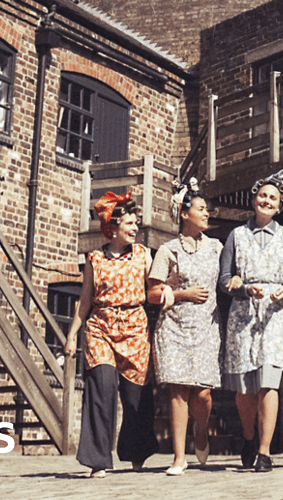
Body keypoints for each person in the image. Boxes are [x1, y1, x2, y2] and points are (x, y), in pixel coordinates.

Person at [64, 191, 159, 478]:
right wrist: (72, 335)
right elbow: (84, 301)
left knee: (134, 396)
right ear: (113, 226)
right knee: (101, 389)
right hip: (100, 328)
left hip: (134, 329)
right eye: (129, 223)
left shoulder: (143, 254)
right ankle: (98, 460)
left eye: (136, 223)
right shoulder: (94, 259)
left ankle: (136, 452)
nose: (135, 228)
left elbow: (155, 289)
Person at [218, 169, 283, 473]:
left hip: (277, 314)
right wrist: (240, 288)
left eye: (273, 198)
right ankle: (249, 436)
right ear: (254, 200)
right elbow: (224, 279)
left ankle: (265, 451)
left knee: (269, 381)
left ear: (279, 205)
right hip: (244, 312)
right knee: (244, 388)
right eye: (263, 195)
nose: (267, 201)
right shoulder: (236, 235)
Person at [146, 178, 222, 476]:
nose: (206, 213)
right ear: (184, 213)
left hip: (206, 326)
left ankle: (201, 429)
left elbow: (228, 277)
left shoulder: (217, 247)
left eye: (206, 209)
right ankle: (179, 458)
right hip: (174, 327)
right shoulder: (167, 251)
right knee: (178, 392)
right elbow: (152, 294)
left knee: (202, 394)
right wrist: (180, 294)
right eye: (201, 209)